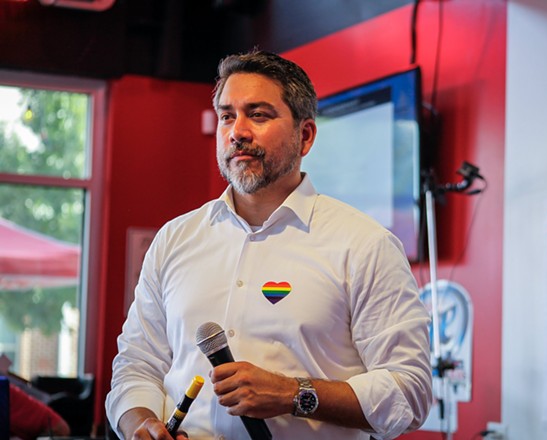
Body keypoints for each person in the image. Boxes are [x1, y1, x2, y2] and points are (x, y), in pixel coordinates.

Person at [106, 49, 432, 440]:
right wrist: (140, 424)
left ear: (305, 135)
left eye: (258, 115)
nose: (237, 131)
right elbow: (137, 365)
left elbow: (409, 393)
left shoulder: (364, 245)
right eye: (228, 115)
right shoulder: (175, 239)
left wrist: (293, 393)